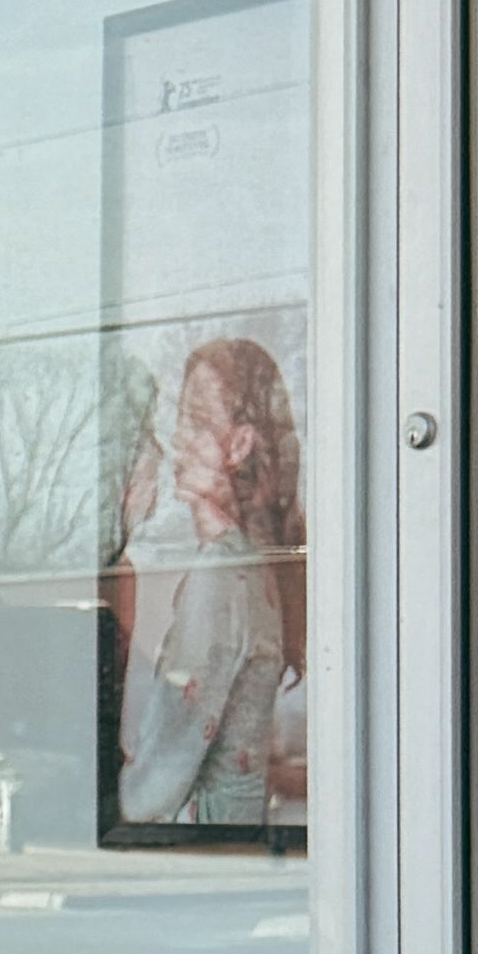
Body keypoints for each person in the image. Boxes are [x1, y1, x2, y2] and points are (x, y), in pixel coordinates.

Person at [113, 329, 305, 835]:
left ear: (240, 444)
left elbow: (161, 775)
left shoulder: (221, 575)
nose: (178, 439)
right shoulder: (250, 566)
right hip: (228, 843)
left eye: (196, 422)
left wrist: (94, 815)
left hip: (199, 850)